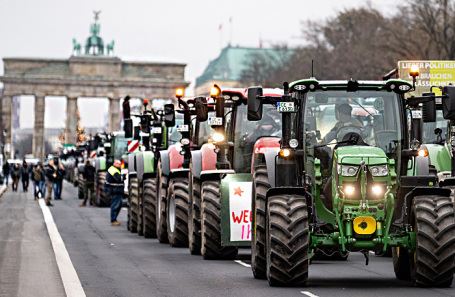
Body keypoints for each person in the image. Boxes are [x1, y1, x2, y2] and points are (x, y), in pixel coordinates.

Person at [105, 160, 124, 226]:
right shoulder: (113, 170)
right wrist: (124, 176)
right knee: (115, 205)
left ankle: (114, 219)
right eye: (118, 163)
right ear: (114, 164)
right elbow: (119, 179)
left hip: (117, 190)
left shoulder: (116, 169)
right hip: (114, 190)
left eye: (119, 164)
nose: (119, 165)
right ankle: (113, 220)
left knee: (119, 204)